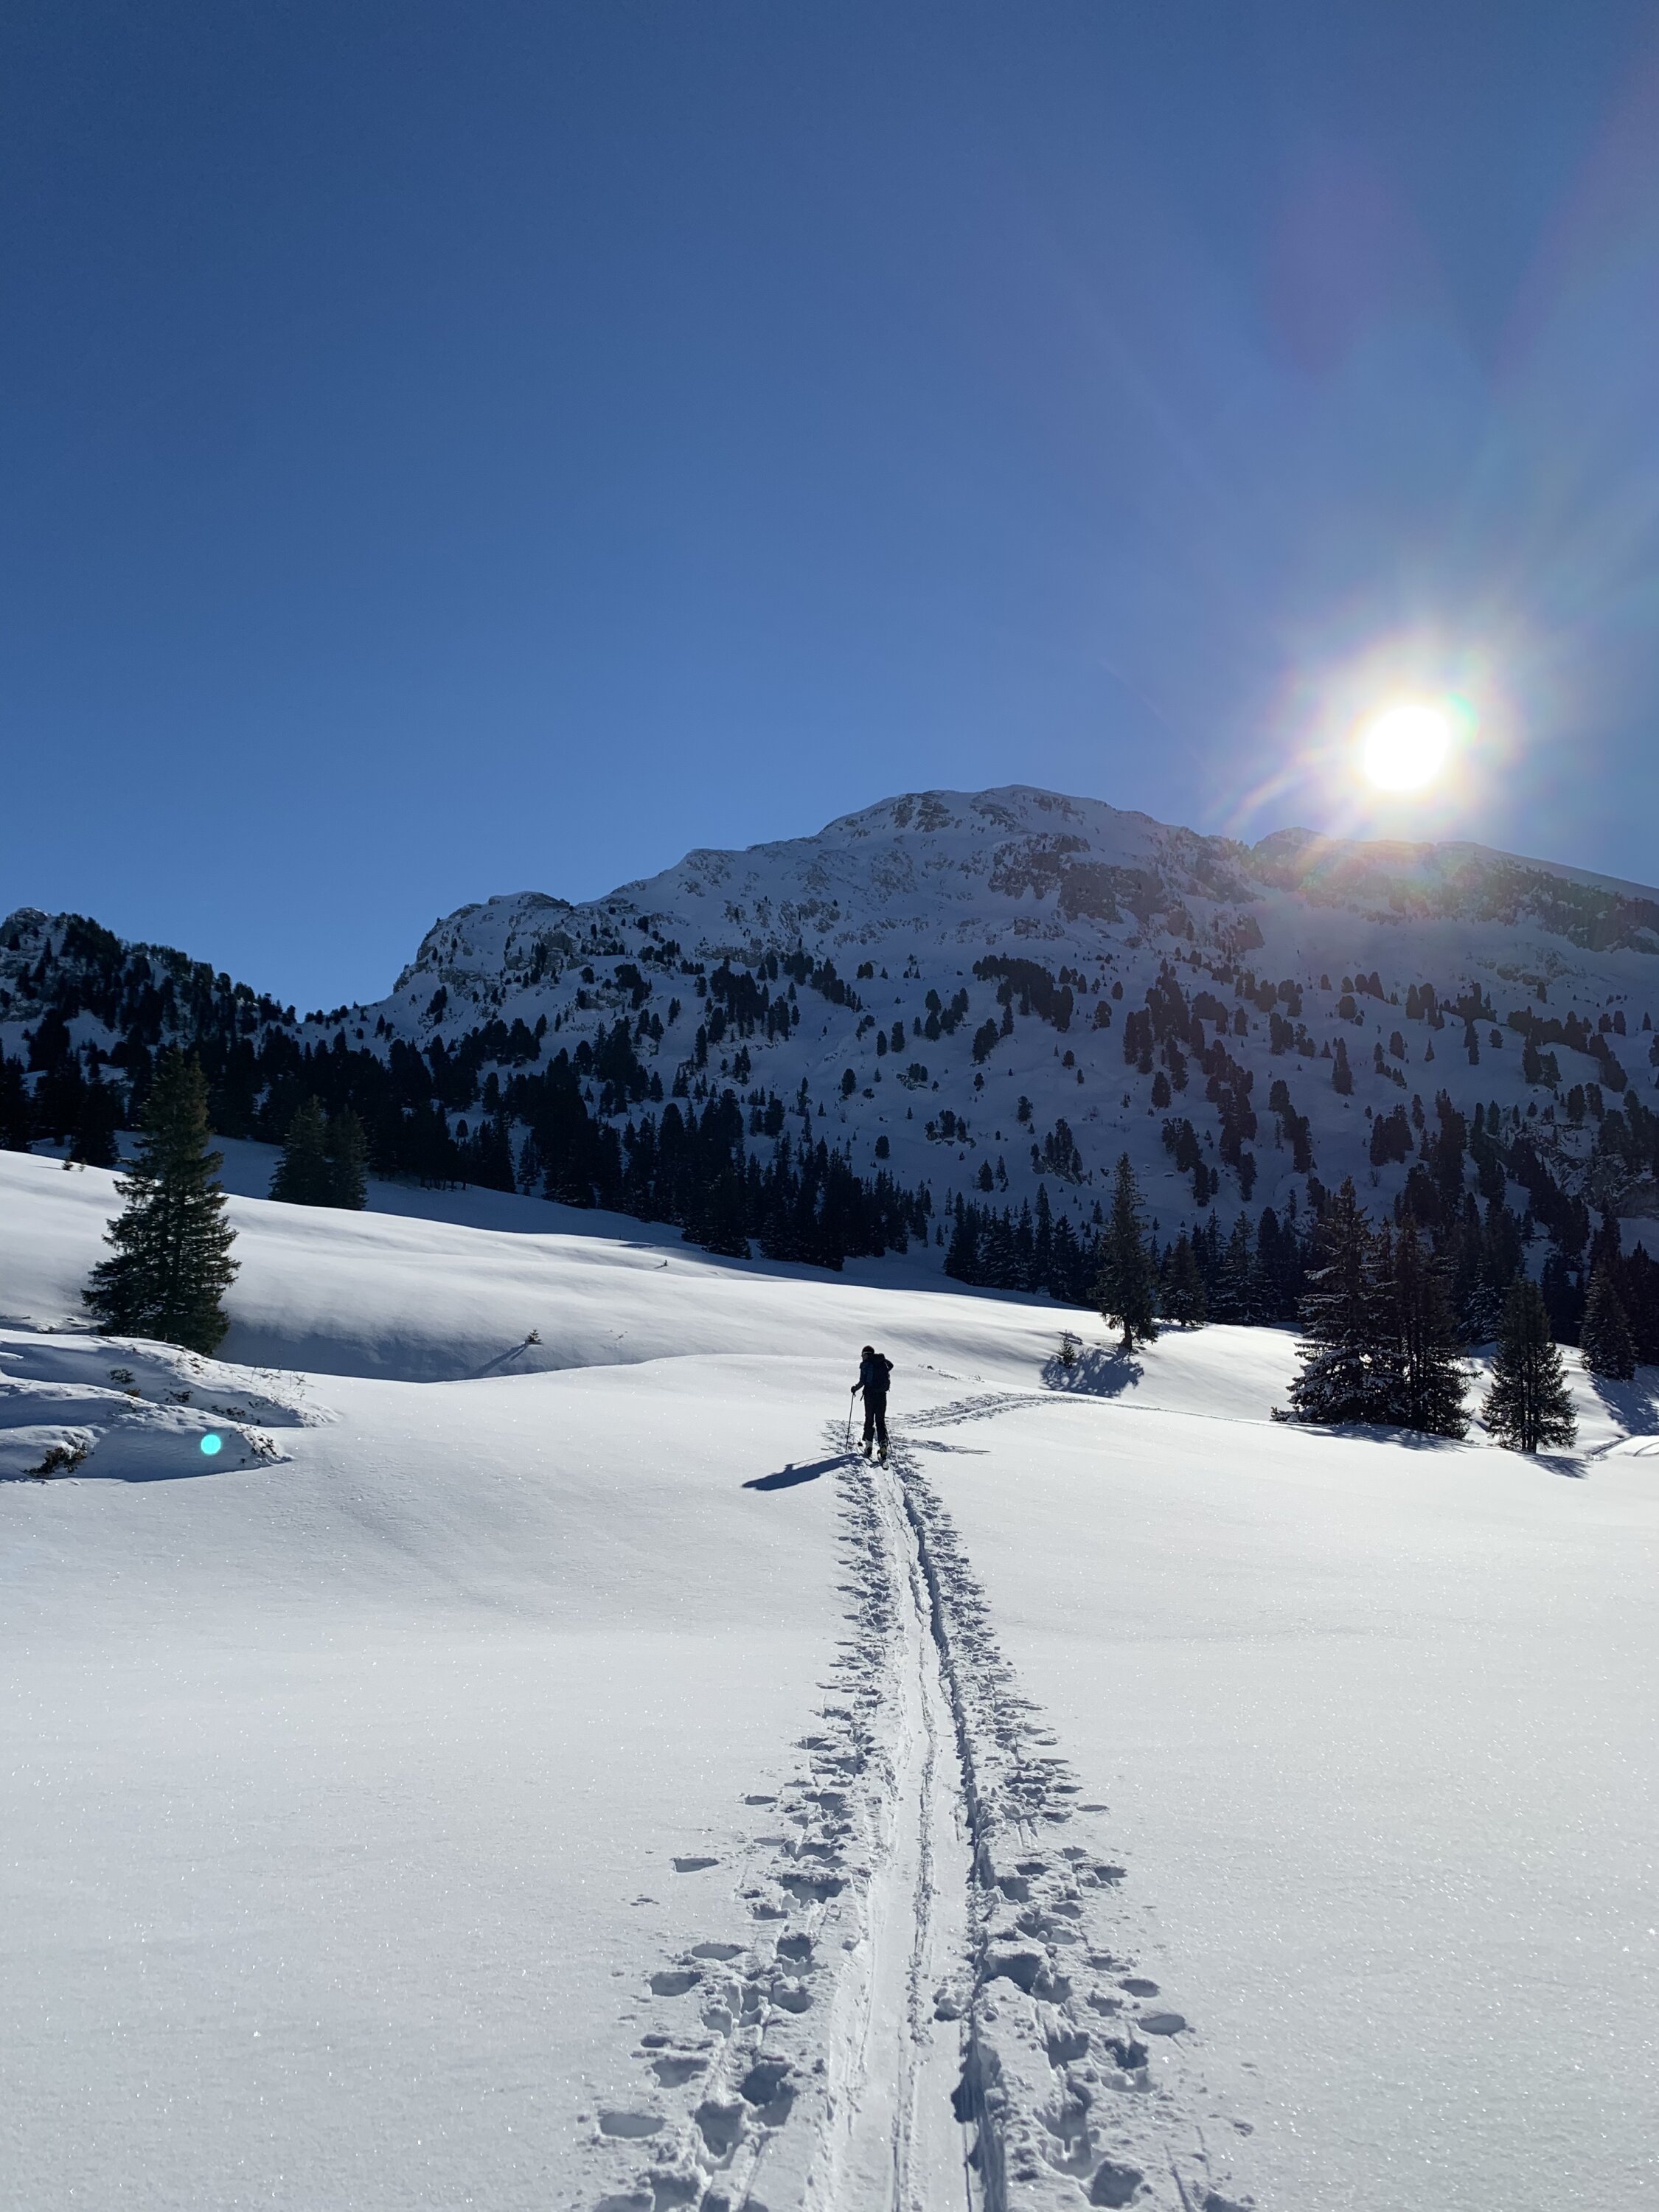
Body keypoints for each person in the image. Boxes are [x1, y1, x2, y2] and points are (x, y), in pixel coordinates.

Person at [853, 1343, 893, 1461]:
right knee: (880, 1421)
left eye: (863, 1355)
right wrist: (881, 1359)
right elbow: (891, 1365)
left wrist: (855, 1388)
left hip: (870, 1396)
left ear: (866, 1354)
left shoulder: (866, 1365)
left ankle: (869, 1446)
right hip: (882, 1396)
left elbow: (862, 1381)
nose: (862, 1357)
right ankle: (883, 1446)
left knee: (869, 1420)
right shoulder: (881, 1363)